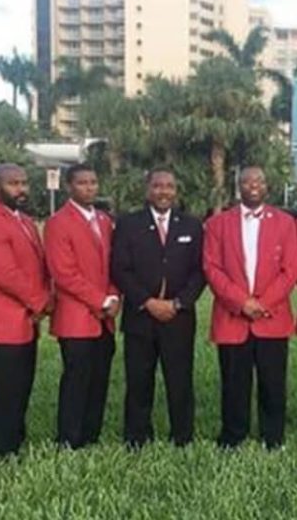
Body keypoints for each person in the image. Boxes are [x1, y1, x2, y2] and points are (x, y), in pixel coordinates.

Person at [203, 166, 297, 449]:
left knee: (273, 382)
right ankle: (233, 436)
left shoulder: (285, 222)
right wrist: (241, 302)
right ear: (238, 187)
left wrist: (264, 302)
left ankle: (273, 437)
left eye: (259, 181)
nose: (253, 185)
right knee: (234, 382)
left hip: (272, 316)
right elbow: (212, 268)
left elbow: (290, 270)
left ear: (267, 186)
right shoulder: (218, 224)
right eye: (247, 181)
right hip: (233, 317)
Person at [111, 168, 205, 448]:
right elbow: (120, 269)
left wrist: (179, 303)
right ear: (148, 189)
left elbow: (200, 271)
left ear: (176, 191)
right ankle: (137, 437)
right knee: (139, 380)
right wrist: (148, 302)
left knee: (180, 380)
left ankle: (182, 437)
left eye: (169, 186)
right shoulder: (128, 224)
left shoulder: (191, 226)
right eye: (157, 186)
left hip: (179, 316)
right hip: (141, 315)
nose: (163, 191)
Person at [0, 163, 51, 456]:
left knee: (20, 386)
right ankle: (0, 450)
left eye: (24, 183)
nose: (21, 189)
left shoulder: (23, 220)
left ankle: (15, 439)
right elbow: (4, 274)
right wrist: (41, 301)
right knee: (1, 390)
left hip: (24, 322)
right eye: (13, 184)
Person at [44, 164, 119, 449]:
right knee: (77, 379)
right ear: (69, 186)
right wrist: (100, 300)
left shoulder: (104, 220)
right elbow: (64, 273)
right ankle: (68, 439)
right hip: (76, 317)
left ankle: (91, 435)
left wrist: (113, 296)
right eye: (82, 183)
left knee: (99, 378)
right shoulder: (58, 223)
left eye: (93, 182)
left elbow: (113, 265)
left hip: (105, 317)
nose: (89, 188)